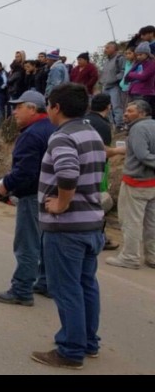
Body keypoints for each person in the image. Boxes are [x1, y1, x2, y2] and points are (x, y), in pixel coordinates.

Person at [30, 83, 106, 370]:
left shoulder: (62, 137)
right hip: (91, 224)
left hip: (67, 229)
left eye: (48, 104)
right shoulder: (91, 133)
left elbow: (68, 172)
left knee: (66, 289)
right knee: (87, 285)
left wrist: (60, 205)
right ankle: (89, 342)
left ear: (56, 107)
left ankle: (70, 351)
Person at [0, 91, 55, 306]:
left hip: (32, 195)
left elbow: (25, 172)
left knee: (27, 243)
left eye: (18, 107)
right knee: (45, 240)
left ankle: (22, 289)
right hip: (52, 195)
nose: (14, 111)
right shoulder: (53, 129)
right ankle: (46, 282)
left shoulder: (31, 134)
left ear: (32, 108)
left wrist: (5, 186)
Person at [105, 100, 155, 269]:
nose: (125, 113)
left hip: (137, 182)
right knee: (151, 222)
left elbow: (142, 154)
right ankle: (152, 256)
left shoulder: (138, 129)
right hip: (152, 183)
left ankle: (130, 257)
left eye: (130, 110)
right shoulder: (152, 125)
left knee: (131, 221)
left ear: (142, 113)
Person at [83, 93, 119, 251]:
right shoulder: (103, 125)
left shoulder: (83, 119)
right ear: (108, 107)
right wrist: (120, 150)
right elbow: (103, 150)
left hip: (80, 166)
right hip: (97, 169)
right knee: (97, 201)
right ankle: (98, 236)